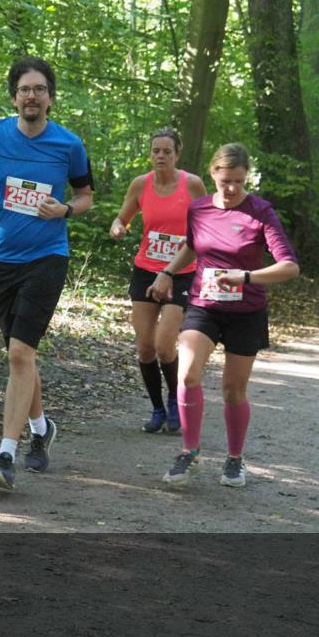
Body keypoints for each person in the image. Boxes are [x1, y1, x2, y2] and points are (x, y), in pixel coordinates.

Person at [0, 56, 94, 491]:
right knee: (23, 356)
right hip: (0, 262)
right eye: (24, 89)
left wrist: (67, 209)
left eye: (39, 89)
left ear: (50, 97)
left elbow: (86, 195)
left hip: (47, 258)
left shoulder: (68, 145)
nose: (31, 96)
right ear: (14, 97)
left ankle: (5, 454)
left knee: (18, 355)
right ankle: (41, 427)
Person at [147, 143, 299, 488]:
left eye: (239, 182)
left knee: (233, 390)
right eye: (225, 180)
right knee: (187, 374)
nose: (231, 189)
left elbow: (289, 266)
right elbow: (191, 245)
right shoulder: (199, 209)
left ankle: (234, 459)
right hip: (204, 305)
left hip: (247, 311)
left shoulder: (260, 211)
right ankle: (190, 451)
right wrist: (167, 272)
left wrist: (247, 277)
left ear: (247, 179)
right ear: (213, 174)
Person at [110, 129, 207, 433]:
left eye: (167, 151)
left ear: (177, 155)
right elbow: (122, 217)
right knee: (144, 347)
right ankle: (157, 408)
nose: (161, 156)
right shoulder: (141, 185)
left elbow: (207, 224)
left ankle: (176, 400)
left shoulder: (191, 184)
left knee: (166, 345)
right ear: (150, 154)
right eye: (156, 151)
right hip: (145, 270)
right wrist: (118, 227)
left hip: (182, 272)